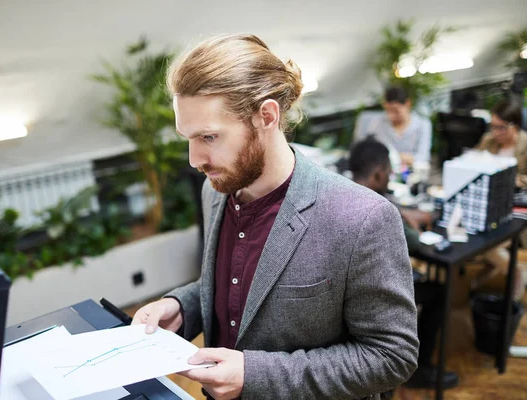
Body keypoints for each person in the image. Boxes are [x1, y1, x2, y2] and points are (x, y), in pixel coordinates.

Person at [132, 34, 418, 400]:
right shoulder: (215, 190)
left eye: (209, 136)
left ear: (266, 116)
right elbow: (239, 284)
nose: (194, 160)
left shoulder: (361, 218)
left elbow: (392, 355)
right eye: (187, 138)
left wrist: (255, 375)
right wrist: (182, 307)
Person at [349, 137, 459, 390]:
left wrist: (399, 209)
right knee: (438, 292)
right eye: (388, 174)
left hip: (345, 292)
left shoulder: (339, 190)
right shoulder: (380, 212)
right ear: (378, 175)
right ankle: (422, 370)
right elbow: (419, 245)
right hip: (371, 299)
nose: (389, 179)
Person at [472, 98, 527, 300]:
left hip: (517, 208)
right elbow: (472, 163)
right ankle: (497, 271)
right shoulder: (488, 141)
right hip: (489, 205)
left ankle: (513, 273)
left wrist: (511, 179)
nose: (496, 133)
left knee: (487, 242)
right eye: (493, 126)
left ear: (515, 125)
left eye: (501, 128)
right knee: (475, 237)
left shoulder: (525, 145)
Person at [354, 86, 432, 166]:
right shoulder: (376, 122)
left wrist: (394, 157)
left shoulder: (422, 124)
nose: (392, 115)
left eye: (396, 111)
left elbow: (423, 157)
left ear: (408, 104)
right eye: (388, 110)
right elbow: (361, 148)